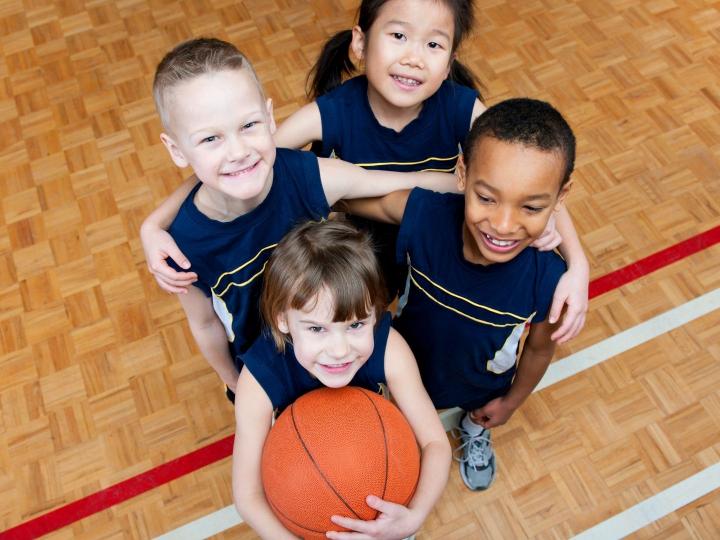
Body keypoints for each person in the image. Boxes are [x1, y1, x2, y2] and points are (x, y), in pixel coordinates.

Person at [140, 0, 589, 342]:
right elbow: (242, 159)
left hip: (437, 250)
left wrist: (577, 261)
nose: (414, 57)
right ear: (360, 43)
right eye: (398, 36)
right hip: (362, 259)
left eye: (433, 44)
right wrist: (155, 223)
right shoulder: (330, 112)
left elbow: (529, 173)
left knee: (434, 337)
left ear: (450, 60)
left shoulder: (462, 108)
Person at [146, 37, 458, 399]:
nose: (238, 151)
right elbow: (204, 324)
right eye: (211, 139)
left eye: (249, 126)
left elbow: (409, 182)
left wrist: (491, 192)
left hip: (340, 351)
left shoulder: (309, 177)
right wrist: (237, 385)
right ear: (175, 149)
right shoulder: (181, 245)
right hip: (270, 375)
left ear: (269, 117)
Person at [343, 98, 580, 491]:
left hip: (482, 386)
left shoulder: (551, 279)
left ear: (561, 197)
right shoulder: (425, 214)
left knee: (481, 412)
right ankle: (402, 470)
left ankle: (474, 429)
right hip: (406, 372)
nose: (503, 225)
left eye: (532, 207)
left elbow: (538, 349)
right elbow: (360, 199)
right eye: (486, 198)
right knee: (403, 430)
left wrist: (511, 402)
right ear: (462, 174)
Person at [232, 219, 451, 540]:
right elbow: (247, 496)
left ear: (375, 313)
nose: (339, 350)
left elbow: (436, 444)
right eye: (317, 329)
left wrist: (413, 517)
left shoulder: (390, 350)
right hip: (307, 492)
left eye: (356, 325)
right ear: (282, 320)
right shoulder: (259, 379)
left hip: (377, 481)